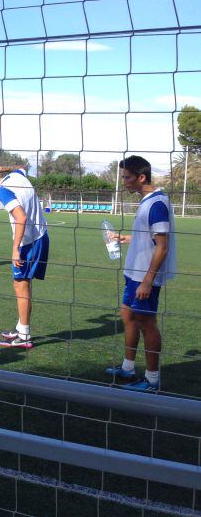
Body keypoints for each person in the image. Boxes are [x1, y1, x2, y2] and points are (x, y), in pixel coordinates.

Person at [105, 156, 175, 393]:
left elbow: (162, 246)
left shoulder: (157, 204)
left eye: (126, 177)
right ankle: (127, 367)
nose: (123, 182)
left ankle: (152, 380)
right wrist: (124, 238)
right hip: (133, 273)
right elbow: (149, 237)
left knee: (147, 323)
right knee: (128, 316)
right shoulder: (148, 201)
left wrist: (147, 281)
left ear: (141, 177)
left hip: (145, 277)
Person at [0, 164, 49, 349]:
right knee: (22, 284)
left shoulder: (3, 191)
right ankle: (21, 327)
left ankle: (24, 336)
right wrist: (0, 168)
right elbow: (23, 166)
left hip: (28, 242)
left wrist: (15, 248)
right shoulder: (16, 176)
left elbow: (21, 217)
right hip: (40, 235)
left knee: (21, 286)